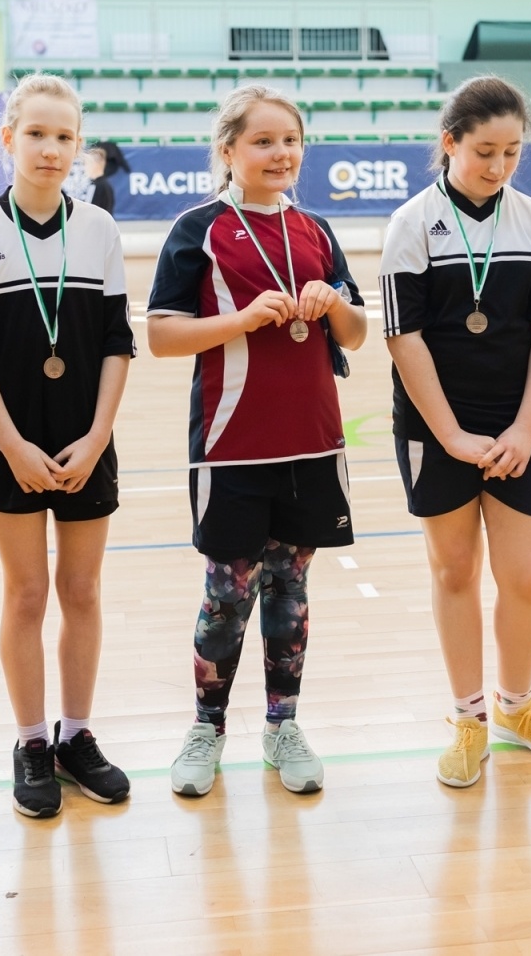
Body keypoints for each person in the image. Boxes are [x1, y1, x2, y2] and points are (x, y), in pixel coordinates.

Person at [147, 84, 367, 797]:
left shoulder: (319, 230)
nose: (281, 154)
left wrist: (334, 304)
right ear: (228, 151)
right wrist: (239, 320)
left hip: (311, 443)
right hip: (232, 444)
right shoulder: (199, 228)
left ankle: (283, 725)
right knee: (226, 595)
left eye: (291, 140)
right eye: (264, 141)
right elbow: (161, 335)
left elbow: (357, 333)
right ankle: (208, 727)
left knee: (291, 590)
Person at [380, 76, 531, 788]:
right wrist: (453, 437)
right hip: (436, 427)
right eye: (485, 152)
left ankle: (516, 708)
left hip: (516, 427)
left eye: (512, 153)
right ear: (450, 143)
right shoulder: (411, 223)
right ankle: (468, 718)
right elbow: (404, 340)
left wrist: (527, 427)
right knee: (455, 570)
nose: (498, 168)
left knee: (526, 576)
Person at [0, 73, 135, 814]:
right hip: (10, 442)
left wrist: (96, 437)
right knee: (26, 593)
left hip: (87, 439)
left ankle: (77, 735)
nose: (52, 148)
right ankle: (31, 740)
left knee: (82, 591)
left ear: (79, 146)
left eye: (65, 136)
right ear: (8, 139)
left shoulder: (100, 230)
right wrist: (14, 445)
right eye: (37, 133)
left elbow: (119, 344)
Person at [82, 140, 129, 215]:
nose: (84, 167)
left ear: (94, 164)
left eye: (86, 164)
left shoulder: (102, 186)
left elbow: (103, 214)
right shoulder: (97, 184)